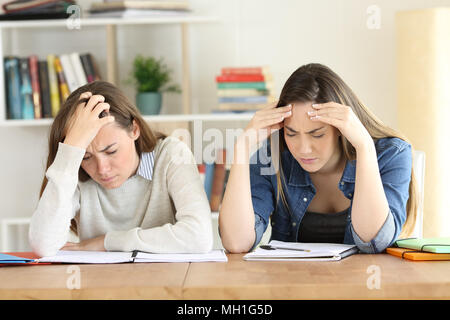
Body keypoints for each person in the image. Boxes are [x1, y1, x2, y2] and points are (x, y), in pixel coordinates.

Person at [219, 63, 417, 254]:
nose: (304, 149)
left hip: (366, 285)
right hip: (290, 284)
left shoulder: (391, 153)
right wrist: (241, 148)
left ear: (340, 128)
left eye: (317, 134)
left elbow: (373, 241)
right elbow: (237, 242)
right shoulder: (273, 159)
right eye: (291, 133)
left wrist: (364, 147)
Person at [29, 81, 213, 257]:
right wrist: (70, 153)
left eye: (111, 151)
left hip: (166, 284)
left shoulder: (171, 154)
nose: (102, 169)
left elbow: (200, 237)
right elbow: (43, 245)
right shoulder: (73, 170)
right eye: (87, 157)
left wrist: (107, 242)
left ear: (134, 129)